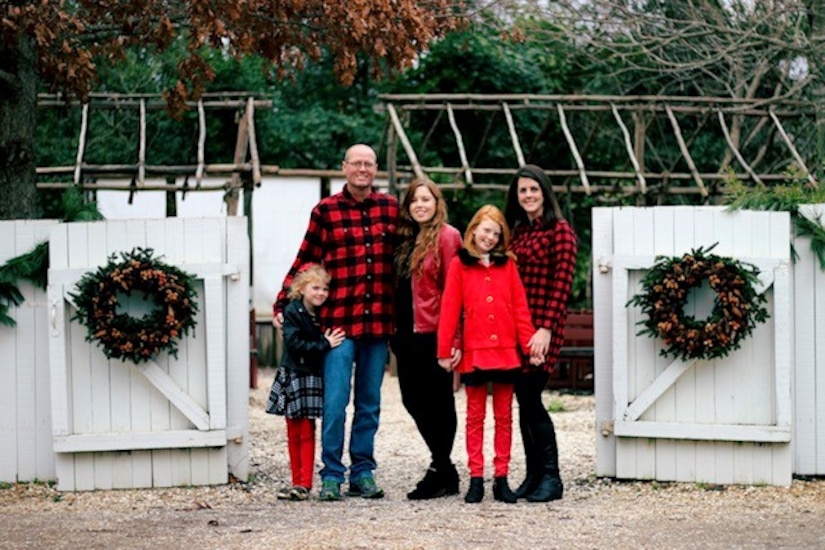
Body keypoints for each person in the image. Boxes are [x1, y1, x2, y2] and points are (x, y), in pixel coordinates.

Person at [273, 144, 399, 501]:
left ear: (376, 169)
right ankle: (331, 473)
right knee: (334, 403)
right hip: (338, 328)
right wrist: (284, 301)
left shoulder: (391, 208)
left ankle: (363, 472)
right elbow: (306, 259)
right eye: (356, 163)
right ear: (344, 167)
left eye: (368, 164)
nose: (362, 169)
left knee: (369, 403)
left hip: (378, 325)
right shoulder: (326, 211)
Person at [437, 204, 542, 504]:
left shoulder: (508, 265)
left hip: (507, 352)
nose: (490, 237)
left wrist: (529, 347)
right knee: (474, 417)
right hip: (475, 352)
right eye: (486, 230)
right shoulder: (460, 264)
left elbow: (520, 308)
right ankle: (476, 478)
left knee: (505, 416)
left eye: (496, 233)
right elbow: (449, 309)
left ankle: (501, 478)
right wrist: (445, 350)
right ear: (473, 230)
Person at [504, 164, 578, 503]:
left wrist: (545, 329)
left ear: (544, 192)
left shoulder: (559, 231)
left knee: (531, 397)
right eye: (522, 191)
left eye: (534, 189)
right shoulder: (516, 233)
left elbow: (562, 285)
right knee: (523, 399)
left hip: (543, 328)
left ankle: (552, 476)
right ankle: (533, 475)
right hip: (517, 326)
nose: (528, 196)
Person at [392, 177, 463, 500]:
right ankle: (445, 469)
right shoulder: (404, 240)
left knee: (439, 403)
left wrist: (455, 340)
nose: (420, 205)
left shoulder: (448, 237)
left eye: (426, 199)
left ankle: (439, 470)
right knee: (411, 399)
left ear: (437, 203)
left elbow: (456, 289)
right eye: (414, 200)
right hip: (406, 334)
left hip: (435, 333)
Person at [266, 264, 346, 500]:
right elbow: (293, 344)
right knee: (294, 429)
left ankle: (304, 482)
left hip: (310, 375)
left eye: (325, 289)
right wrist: (324, 344)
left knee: (307, 429)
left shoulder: (321, 314)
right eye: (315, 288)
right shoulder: (293, 311)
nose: (321, 293)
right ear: (301, 288)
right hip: (295, 373)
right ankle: (296, 480)